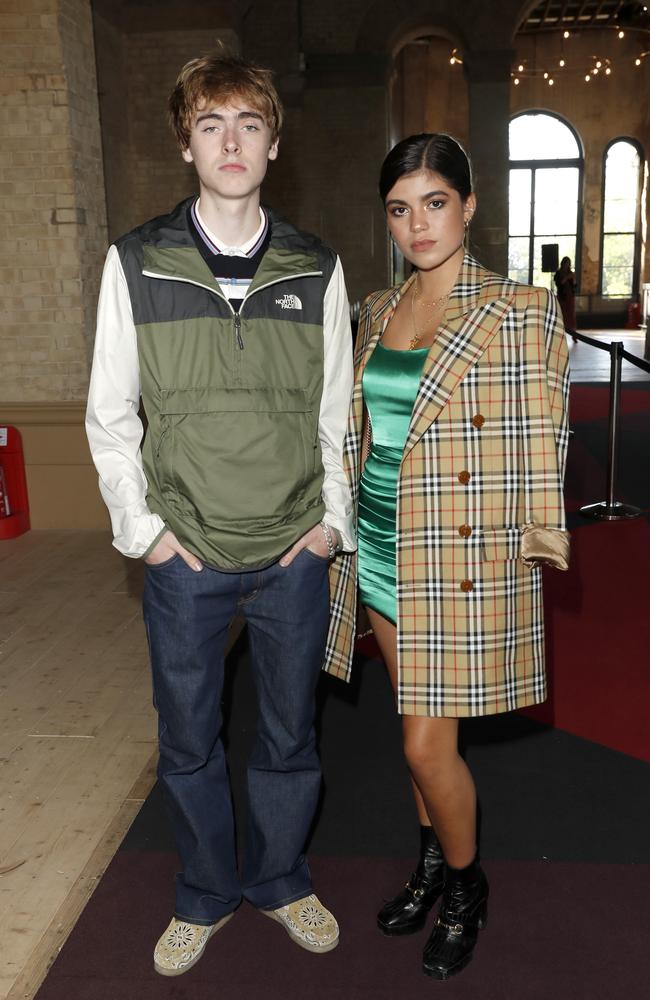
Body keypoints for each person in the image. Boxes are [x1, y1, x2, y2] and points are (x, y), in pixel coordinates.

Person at [86, 52, 355, 976]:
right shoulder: (136, 261)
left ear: (274, 144)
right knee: (188, 738)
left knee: (290, 736)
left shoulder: (317, 267)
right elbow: (110, 415)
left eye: (248, 124)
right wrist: (147, 534)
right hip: (186, 555)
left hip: (293, 552)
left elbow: (334, 417)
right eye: (211, 125)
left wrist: (328, 526)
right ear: (187, 144)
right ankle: (204, 892)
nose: (231, 141)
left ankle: (281, 879)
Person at [324, 134, 570, 980]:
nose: (418, 224)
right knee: (412, 735)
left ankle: (466, 885)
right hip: (384, 547)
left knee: (430, 747)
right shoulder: (373, 310)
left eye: (435, 203)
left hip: (459, 560)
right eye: (400, 209)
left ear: (469, 206)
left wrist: (536, 547)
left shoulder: (520, 309)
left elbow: (546, 440)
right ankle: (430, 862)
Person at [554, 255, 577, 339]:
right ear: (563, 264)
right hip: (562, 296)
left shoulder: (570, 273)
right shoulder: (558, 273)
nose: (567, 265)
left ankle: (574, 334)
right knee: (562, 314)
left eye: (568, 264)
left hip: (570, 297)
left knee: (571, 315)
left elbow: (574, 286)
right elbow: (559, 284)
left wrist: (574, 279)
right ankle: (561, 334)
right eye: (566, 263)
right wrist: (567, 278)